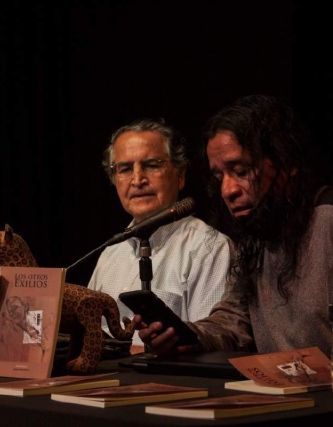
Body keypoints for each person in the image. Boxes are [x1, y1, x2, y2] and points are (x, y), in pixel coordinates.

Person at [135, 95, 333, 373]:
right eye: (219, 176)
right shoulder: (259, 235)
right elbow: (234, 322)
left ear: (287, 163)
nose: (228, 190)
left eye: (241, 170)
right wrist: (184, 335)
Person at [88, 118, 234, 349]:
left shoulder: (209, 248)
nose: (138, 180)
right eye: (125, 169)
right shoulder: (110, 254)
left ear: (180, 175)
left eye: (152, 165)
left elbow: (209, 344)